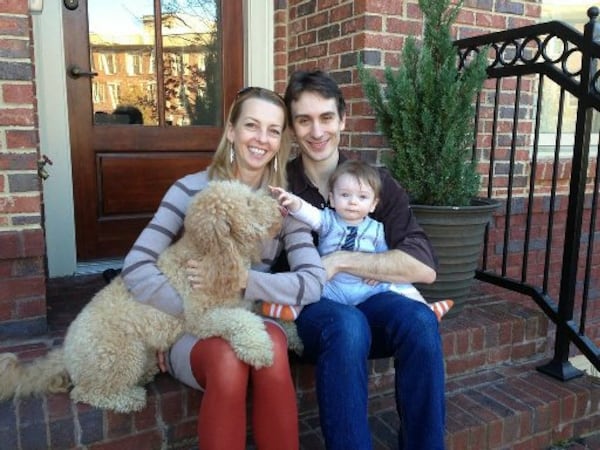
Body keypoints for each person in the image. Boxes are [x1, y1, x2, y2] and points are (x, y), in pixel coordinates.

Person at [120, 86, 327, 450]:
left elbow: (312, 283)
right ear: (231, 131)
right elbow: (136, 265)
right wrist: (183, 315)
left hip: (244, 315)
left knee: (273, 342)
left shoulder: (282, 206)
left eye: (273, 130)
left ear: (281, 141)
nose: (261, 139)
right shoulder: (189, 190)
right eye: (251, 125)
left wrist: (244, 280)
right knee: (229, 360)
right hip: (189, 325)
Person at [280, 69, 446, 450]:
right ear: (292, 128)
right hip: (315, 310)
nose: (317, 131)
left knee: (420, 321)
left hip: (374, 302)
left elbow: (423, 267)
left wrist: (340, 260)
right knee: (348, 325)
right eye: (304, 120)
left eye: (326, 118)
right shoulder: (283, 186)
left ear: (342, 118)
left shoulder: (375, 183)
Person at [265, 159, 453, 322]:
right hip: (333, 286)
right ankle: (289, 309)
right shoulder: (328, 220)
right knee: (310, 285)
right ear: (332, 198)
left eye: (362, 197)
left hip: (365, 286)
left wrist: (379, 272)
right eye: (345, 195)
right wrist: (293, 202)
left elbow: (385, 254)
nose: (353, 202)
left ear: (373, 204)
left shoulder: (376, 228)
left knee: (399, 285)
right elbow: (309, 213)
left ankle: (425, 307)